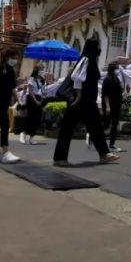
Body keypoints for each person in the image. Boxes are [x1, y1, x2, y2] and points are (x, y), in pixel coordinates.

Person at [53, 38, 120, 166]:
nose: (99, 50)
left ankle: (104, 154)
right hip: (78, 101)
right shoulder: (86, 59)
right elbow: (76, 77)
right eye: (97, 47)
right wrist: (78, 97)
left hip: (89, 102)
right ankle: (59, 158)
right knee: (67, 129)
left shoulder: (91, 60)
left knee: (96, 127)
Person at [101, 62, 126, 152]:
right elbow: (105, 95)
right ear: (112, 70)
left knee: (115, 125)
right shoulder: (107, 80)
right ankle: (93, 134)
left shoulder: (117, 79)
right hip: (109, 105)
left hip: (117, 105)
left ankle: (112, 144)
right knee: (106, 124)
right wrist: (107, 106)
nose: (117, 70)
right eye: (116, 69)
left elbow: (121, 90)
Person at [23, 66, 45, 145]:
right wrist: (35, 101)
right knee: (30, 117)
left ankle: (32, 137)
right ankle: (24, 134)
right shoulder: (32, 79)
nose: (42, 71)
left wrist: (41, 100)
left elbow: (42, 91)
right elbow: (30, 91)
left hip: (39, 98)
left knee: (37, 119)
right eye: (41, 70)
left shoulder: (41, 80)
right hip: (32, 99)